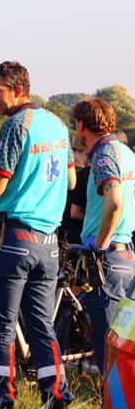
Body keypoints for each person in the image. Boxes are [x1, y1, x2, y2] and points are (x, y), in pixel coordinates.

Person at [0, 61, 76, 409]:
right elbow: (71, 181)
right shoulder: (57, 123)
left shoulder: (16, 125)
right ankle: (57, 398)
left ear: (18, 89)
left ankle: (0, 405)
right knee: (42, 326)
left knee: (0, 326)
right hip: (48, 242)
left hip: (12, 239)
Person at [73, 98, 135, 373]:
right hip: (126, 253)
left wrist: (98, 246)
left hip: (108, 256)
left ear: (81, 124)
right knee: (123, 340)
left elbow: (115, 200)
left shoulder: (103, 154)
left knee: (107, 344)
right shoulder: (126, 152)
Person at [61, 136, 90, 245]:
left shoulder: (63, 171)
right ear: (87, 153)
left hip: (59, 231)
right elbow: (75, 213)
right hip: (76, 234)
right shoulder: (85, 174)